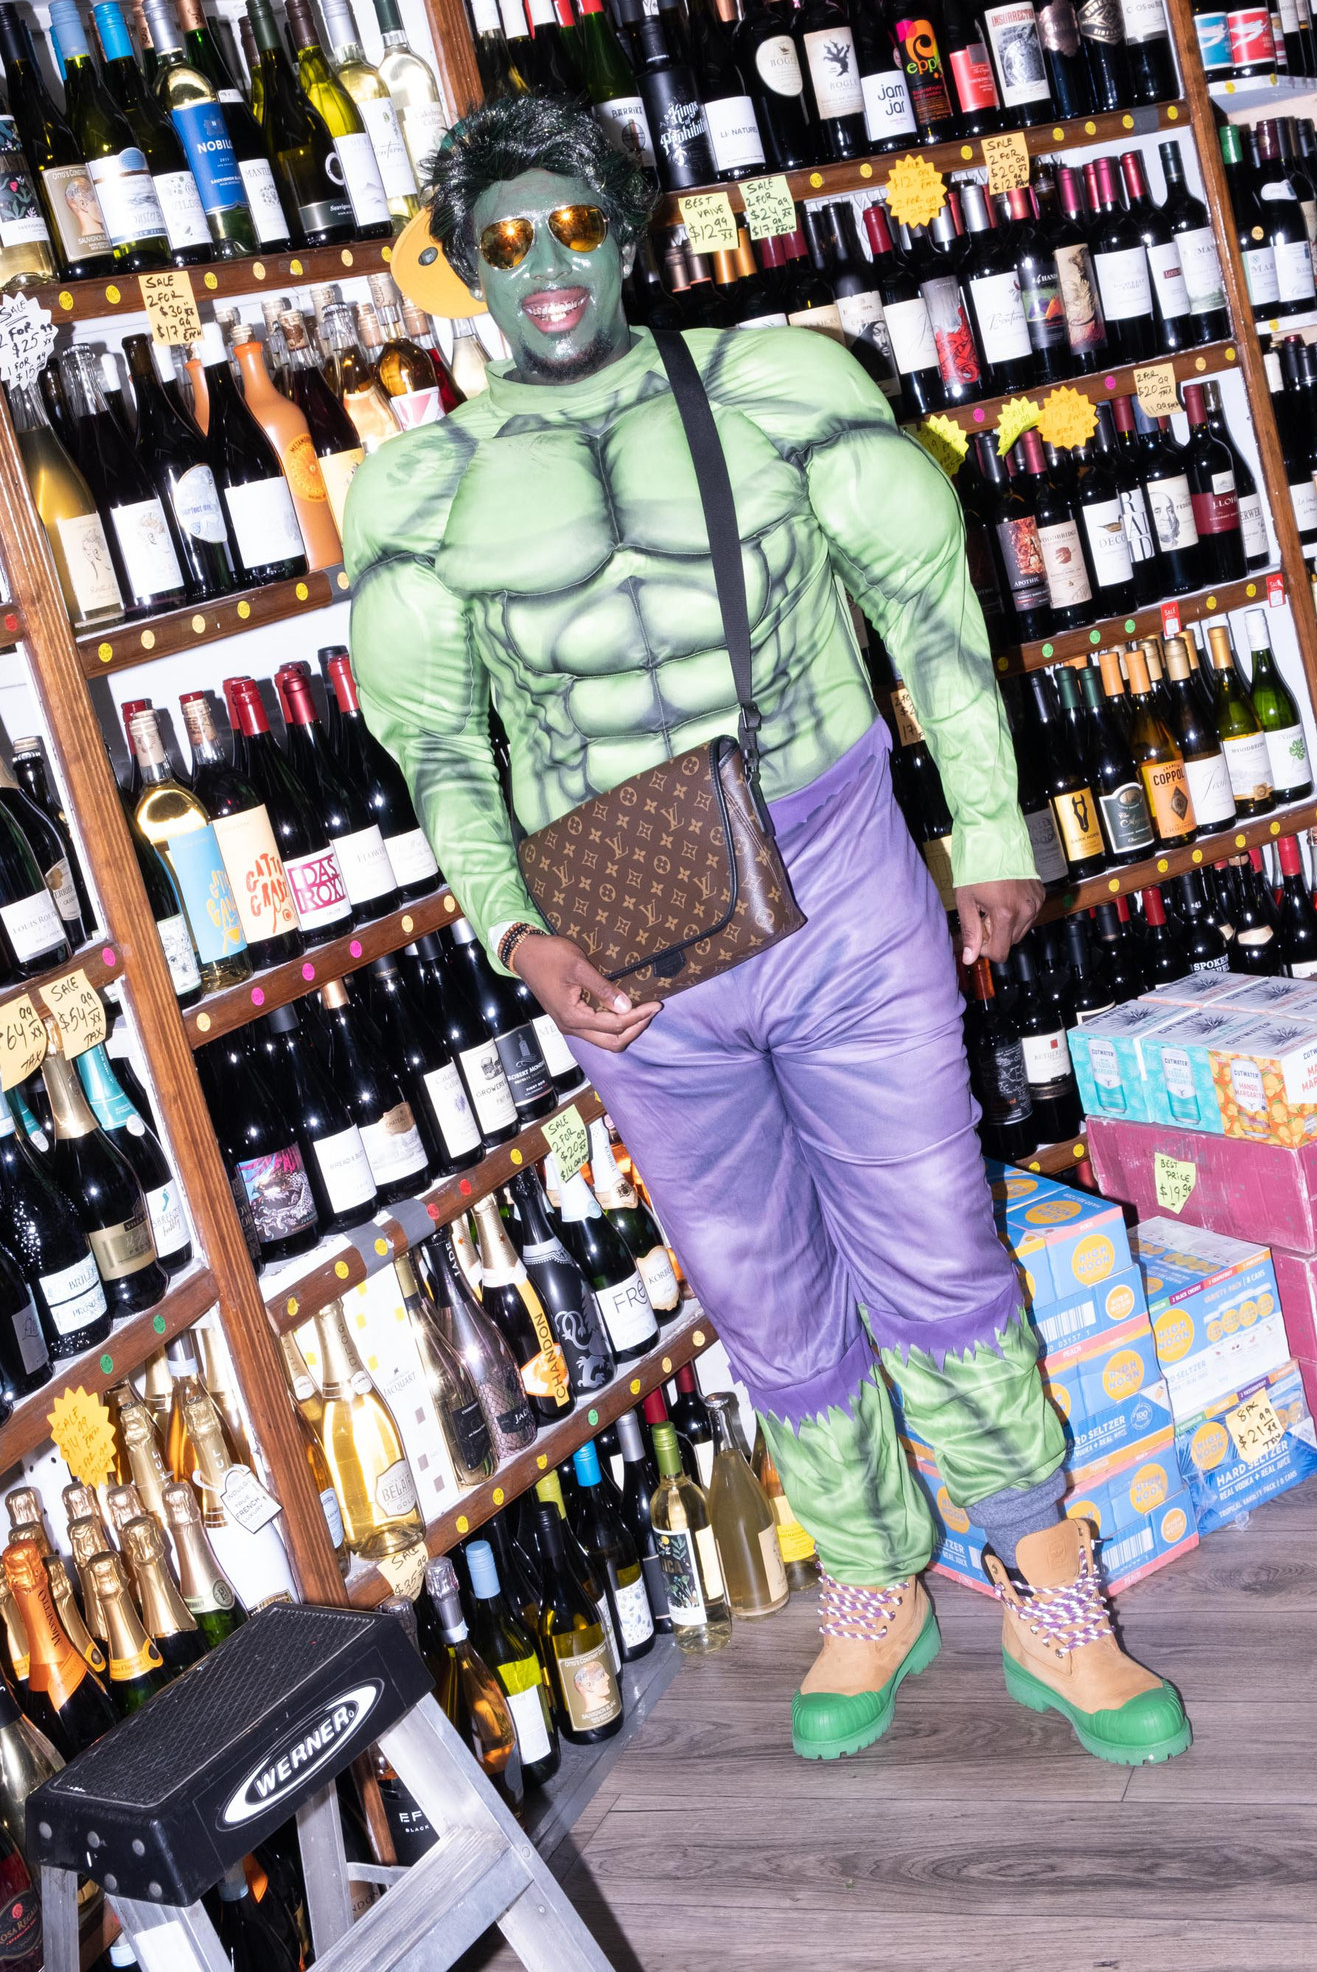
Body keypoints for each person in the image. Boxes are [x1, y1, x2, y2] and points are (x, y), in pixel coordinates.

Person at [343, 95, 1188, 1768]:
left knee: (936, 1237)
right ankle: (874, 1573)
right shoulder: (420, 495)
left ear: (628, 224)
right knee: (754, 1280)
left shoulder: (780, 388)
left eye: (573, 225)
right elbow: (444, 755)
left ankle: (1044, 1572)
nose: (549, 268)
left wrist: (995, 833)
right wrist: (516, 935)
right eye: (503, 242)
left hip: (838, 873)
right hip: (619, 938)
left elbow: (934, 625)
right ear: (462, 272)